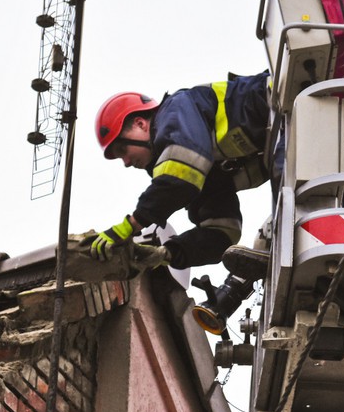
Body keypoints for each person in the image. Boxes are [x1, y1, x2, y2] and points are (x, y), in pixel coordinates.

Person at [90, 71, 274, 335]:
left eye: (122, 151)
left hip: (287, 107)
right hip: (286, 143)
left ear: (142, 124)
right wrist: (169, 253)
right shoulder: (201, 163)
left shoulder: (176, 111)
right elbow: (223, 232)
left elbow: (178, 177)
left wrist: (131, 225)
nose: (126, 163)